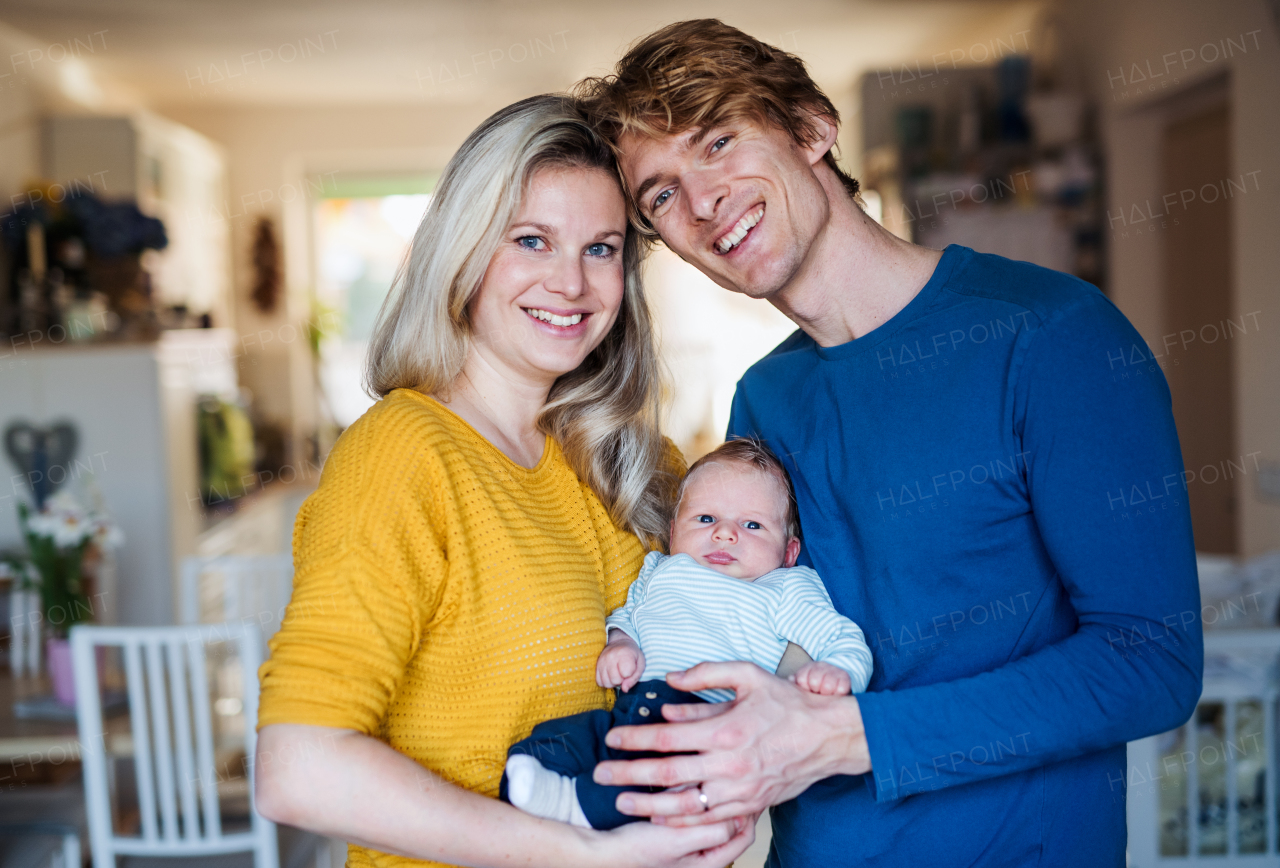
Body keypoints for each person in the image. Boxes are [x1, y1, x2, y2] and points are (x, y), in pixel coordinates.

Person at [573, 20, 1203, 866]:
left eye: (719, 141)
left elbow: (1150, 660)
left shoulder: (1051, 337)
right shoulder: (765, 397)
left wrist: (848, 737)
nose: (702, 202)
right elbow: (750, 642)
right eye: (661, 194)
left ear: (811, 127)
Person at [252, 94, 755, 868]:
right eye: (531, 240)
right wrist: (586, 857)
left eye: (601, 249)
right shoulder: (403, 454)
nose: (572, 284)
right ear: (464, 251)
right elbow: (300, 768)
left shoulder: (641, 464)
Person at [503, 438, 873, 830]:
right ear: (674, 531)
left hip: (707, 718)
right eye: (706, 519)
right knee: (560, 740)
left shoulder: (784, 587)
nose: (725, 534)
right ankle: (544, 789)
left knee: (659, 781)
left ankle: (578, 807)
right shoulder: (661, 569)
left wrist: (839, 672)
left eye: (752, 525)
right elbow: (630, 614)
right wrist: (621, 642)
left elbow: (840, 637)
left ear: (788, 552)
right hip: (633, 705)